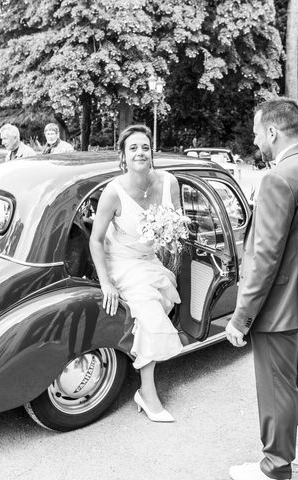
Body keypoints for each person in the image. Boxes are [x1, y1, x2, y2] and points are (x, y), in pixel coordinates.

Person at [226, 98, 298, 480]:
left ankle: (275, 467)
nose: (256, 140)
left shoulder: (277, 178)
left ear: (273, 132)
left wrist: (241, 317)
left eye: (258, 132)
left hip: (279, 305)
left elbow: (265, 255)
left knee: (276, 388)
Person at [89, 124, 183, 423]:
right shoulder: (113, 192)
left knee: (165, 301)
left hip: (151, 260)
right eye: (133, 148)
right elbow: (95, 239)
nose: (140, 152)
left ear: (151, 151)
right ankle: (147, 392)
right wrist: (106, 283)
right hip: (122, 263)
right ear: (124, 157)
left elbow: (178, 224)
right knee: (151, 318)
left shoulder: (169, 183)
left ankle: (140, 352)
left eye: (145, 147)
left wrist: (171, 234)